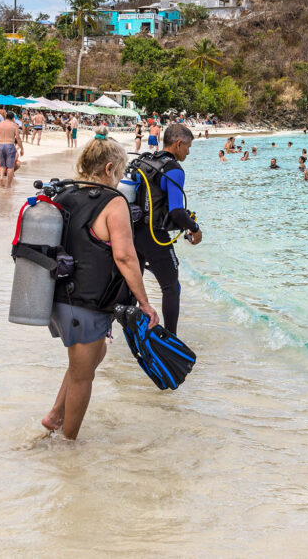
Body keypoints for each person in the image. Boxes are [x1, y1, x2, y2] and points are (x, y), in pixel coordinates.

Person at [42, 129, 160, 440]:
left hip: (57, 299)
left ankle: (55, 416)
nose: (120, 179)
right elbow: (125, 257)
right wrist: (145, 303)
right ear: (109, 168)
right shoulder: (113, 202)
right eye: (120, 172)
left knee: (95, 356)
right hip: (86, 304)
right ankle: (67, 447)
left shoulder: (64, 194)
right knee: (83, 377)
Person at [131, 123, 201, 334]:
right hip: (154, 236)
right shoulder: (174, 170)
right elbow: (176, 211)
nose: (188, 152)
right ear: (178, 144)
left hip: (132, 232)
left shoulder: (146, 161)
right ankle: (171, 337)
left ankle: (126, 327)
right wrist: (195, 228)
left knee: (132, 283)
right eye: (188, 147)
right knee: (171, 287)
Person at [0, 111, 24, 188]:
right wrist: (22, 148)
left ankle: (1, 178)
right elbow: (18, 138)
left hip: (0, 145)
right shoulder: (14, 125)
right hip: (9, 145)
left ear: (6, 117)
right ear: (12, 118)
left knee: (2, 165)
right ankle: (8, 185)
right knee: (10, 167)